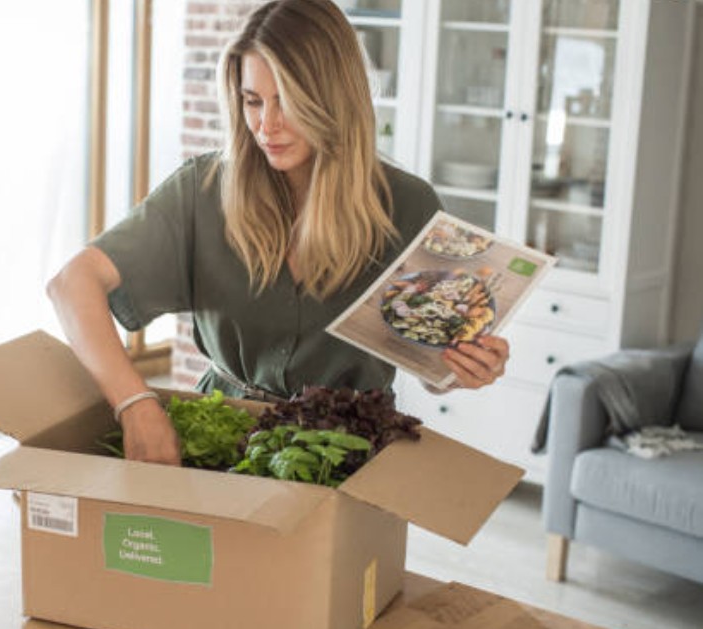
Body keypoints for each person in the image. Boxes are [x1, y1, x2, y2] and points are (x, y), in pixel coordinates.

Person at [47, 0, 509, 466]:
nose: (266, 126)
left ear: (333, 98)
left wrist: (459, 370)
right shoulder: (203, 191)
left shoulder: (408, 207)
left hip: (348, 456)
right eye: (253, 101)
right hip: (220, 439)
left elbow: (429, 362)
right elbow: (72, 286)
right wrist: (135, 404)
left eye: (286, 101)